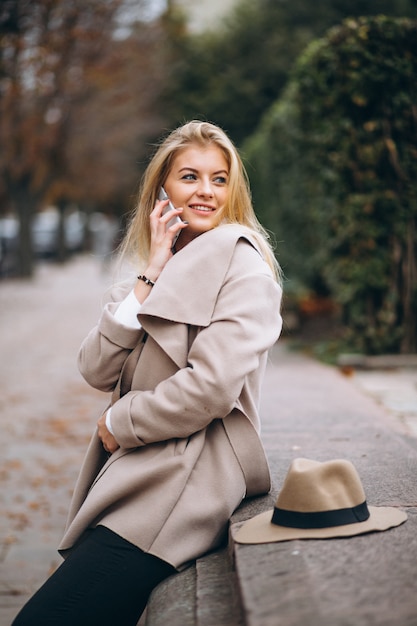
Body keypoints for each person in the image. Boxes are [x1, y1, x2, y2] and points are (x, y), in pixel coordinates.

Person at [13, 120, 282, 625]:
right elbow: (95, 367)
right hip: (146, 474)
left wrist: (121, 422)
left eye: (219, 179)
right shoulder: (160, 268)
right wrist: (151, 273)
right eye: (190, 177)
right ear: (163, 189)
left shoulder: (245, 268)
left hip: (187, 479)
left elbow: (211, 388)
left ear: (234, 191)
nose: (205, 191)